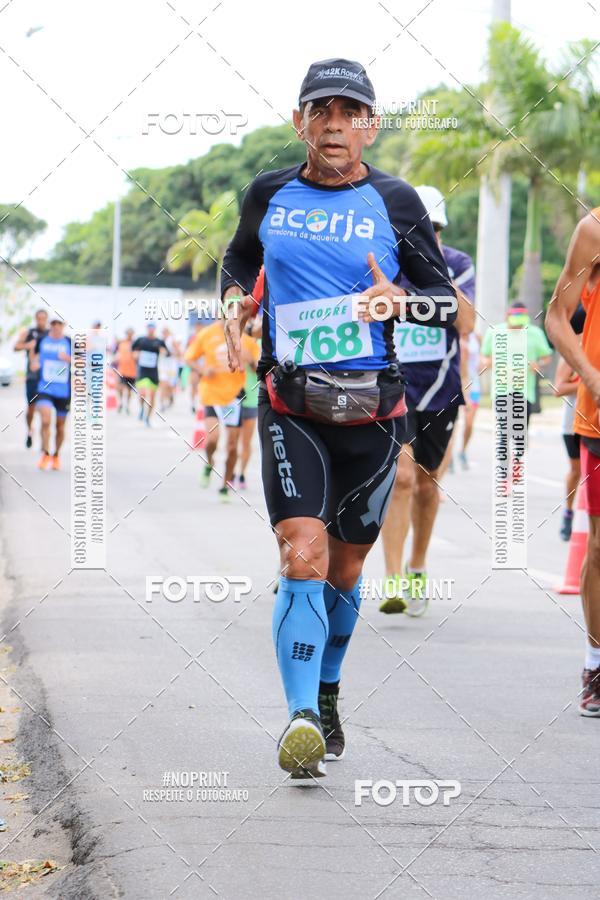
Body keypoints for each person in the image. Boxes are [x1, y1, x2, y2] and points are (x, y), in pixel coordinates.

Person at [220, 58, 458, 778]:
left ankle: (325, 692)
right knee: (302, 551)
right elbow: (237, 260)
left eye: (349, 112)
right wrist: (236, 307)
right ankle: (298, 719)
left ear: (370, 126)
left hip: (377, 413)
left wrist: (402, 303)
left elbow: (444, 302)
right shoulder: (269, 192)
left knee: (347, 573)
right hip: (292, 404)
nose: (334, 124)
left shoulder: (398, 201)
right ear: (299, 122)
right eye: (320, 111)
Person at [379, 185, 475, 616]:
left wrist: (433, 278)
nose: (423, 235)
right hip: (395, 388)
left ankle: (418, 566)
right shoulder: (385, 264)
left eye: (431, 228)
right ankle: (394, 579)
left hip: (442, 391)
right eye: (413, 228)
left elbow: (468, 323)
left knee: (426, 483)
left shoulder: (456, 265)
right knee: (400, 478)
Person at [546, 216, 600, 716]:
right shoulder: (595, 229)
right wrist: (590, 377)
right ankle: (595, 663)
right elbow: (558, 315)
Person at [184, 318, 260, 501]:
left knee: (232, 446)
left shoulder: (246, 339)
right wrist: (202, 370)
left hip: (235, 397)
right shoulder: (207, 334)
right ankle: (209, 464)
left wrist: (251, 362)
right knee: (212, 440)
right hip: (211, 394)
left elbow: (259, 370)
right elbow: (189, 359)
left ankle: (225, 486)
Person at [480, 303, 552, 427]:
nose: (518, 327)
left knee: (520, 434)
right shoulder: (494, 332)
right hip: (501, 390)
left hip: (525, 391)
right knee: (503, 433)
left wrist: (538, 364)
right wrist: (487, 362)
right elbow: (483, 355)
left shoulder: (535, 333)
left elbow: (546, 357)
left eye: (521, 323)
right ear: (507, 316)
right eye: (516, 323)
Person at [554, 305, 586, 541]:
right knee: (576, 471)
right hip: (573, 423)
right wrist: (588, 382)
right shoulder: (572, 353)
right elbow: (559, 388)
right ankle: (568, 512)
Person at [29, 318, 71, 470]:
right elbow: (33, 353)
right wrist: (33, 363)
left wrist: (68, 359)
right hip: (45, 387)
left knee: (60, 426)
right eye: (53, 324)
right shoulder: (42, 340)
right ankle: (45, 453)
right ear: (50, 326)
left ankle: (56, 455)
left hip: (63, 390)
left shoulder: (69, 342)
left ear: (63, 326)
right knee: (45, 420)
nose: (56, 326)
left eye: (59, 324)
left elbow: (83, 361)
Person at [13, 309, 48, 448]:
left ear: (46, 319)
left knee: (45, 409)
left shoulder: (49, 334)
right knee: (31, 409)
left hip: (45, 377)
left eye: (43, 319)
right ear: (35, 318)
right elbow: (15, 346)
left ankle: (44, 441)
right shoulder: (29, 332)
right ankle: (29, 430)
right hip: (32, 376)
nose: (41, 321)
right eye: (39, 318)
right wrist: (28, 345)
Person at [132, 323, 168, 426]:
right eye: (149, 328)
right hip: (142, 371)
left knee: (152, 397)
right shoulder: (141, 340)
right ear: (147, 329)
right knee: (142, 394)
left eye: (153, 328)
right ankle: (142, 408)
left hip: (153, 372)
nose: (151, 330)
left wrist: (163, 351)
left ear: (155, 329)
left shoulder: (159, 341)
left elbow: (167, 352)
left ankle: (147, 418)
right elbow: (133, 350)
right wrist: (135, 354)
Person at [113, 327, 137, 414]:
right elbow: (116, 354)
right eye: (128, 333)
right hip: (122, 370)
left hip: (132, 371)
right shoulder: (121, 343)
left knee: (129, 390)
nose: (129, 335)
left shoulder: (135, 344)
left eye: (131, 333)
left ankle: (127, 405)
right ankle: (121, 403)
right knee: (120, 388)